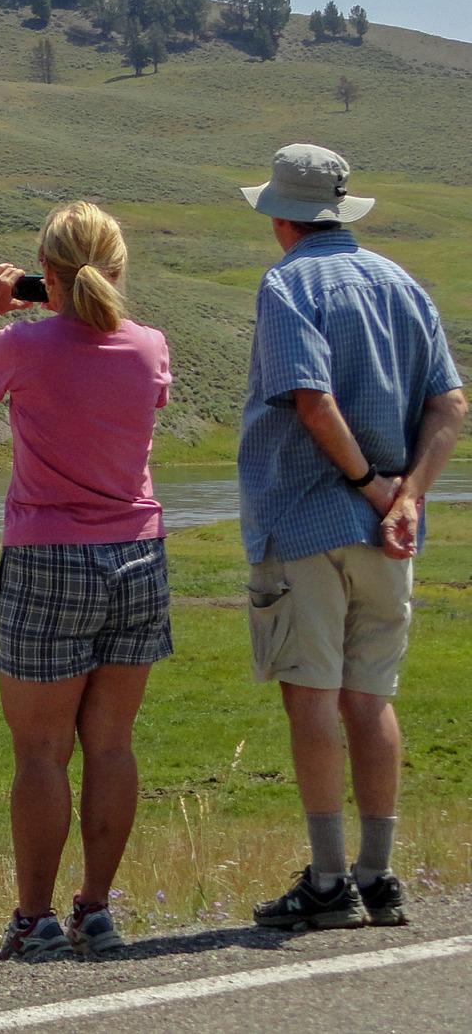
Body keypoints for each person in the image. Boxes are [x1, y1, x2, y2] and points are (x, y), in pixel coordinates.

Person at [236, 144, 466, 931]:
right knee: (370, 698)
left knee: (311, 697)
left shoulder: (286, 283)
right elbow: (449, 406)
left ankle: (330, 882)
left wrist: (367, 484)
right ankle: (379, 875)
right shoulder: (400, 282)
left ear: (280, 216)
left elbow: (308, 399)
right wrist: (406, 497)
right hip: (388, 535)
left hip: (304, 518)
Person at [0, 201, 174, 961]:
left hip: (48, 554)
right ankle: (97, 911)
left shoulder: (23, 343)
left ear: (42, 273)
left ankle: (33, 920)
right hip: (138, 553)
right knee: (111, 744)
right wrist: (58, 295)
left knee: (41, 753)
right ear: (116, 269)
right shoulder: (148, 346)